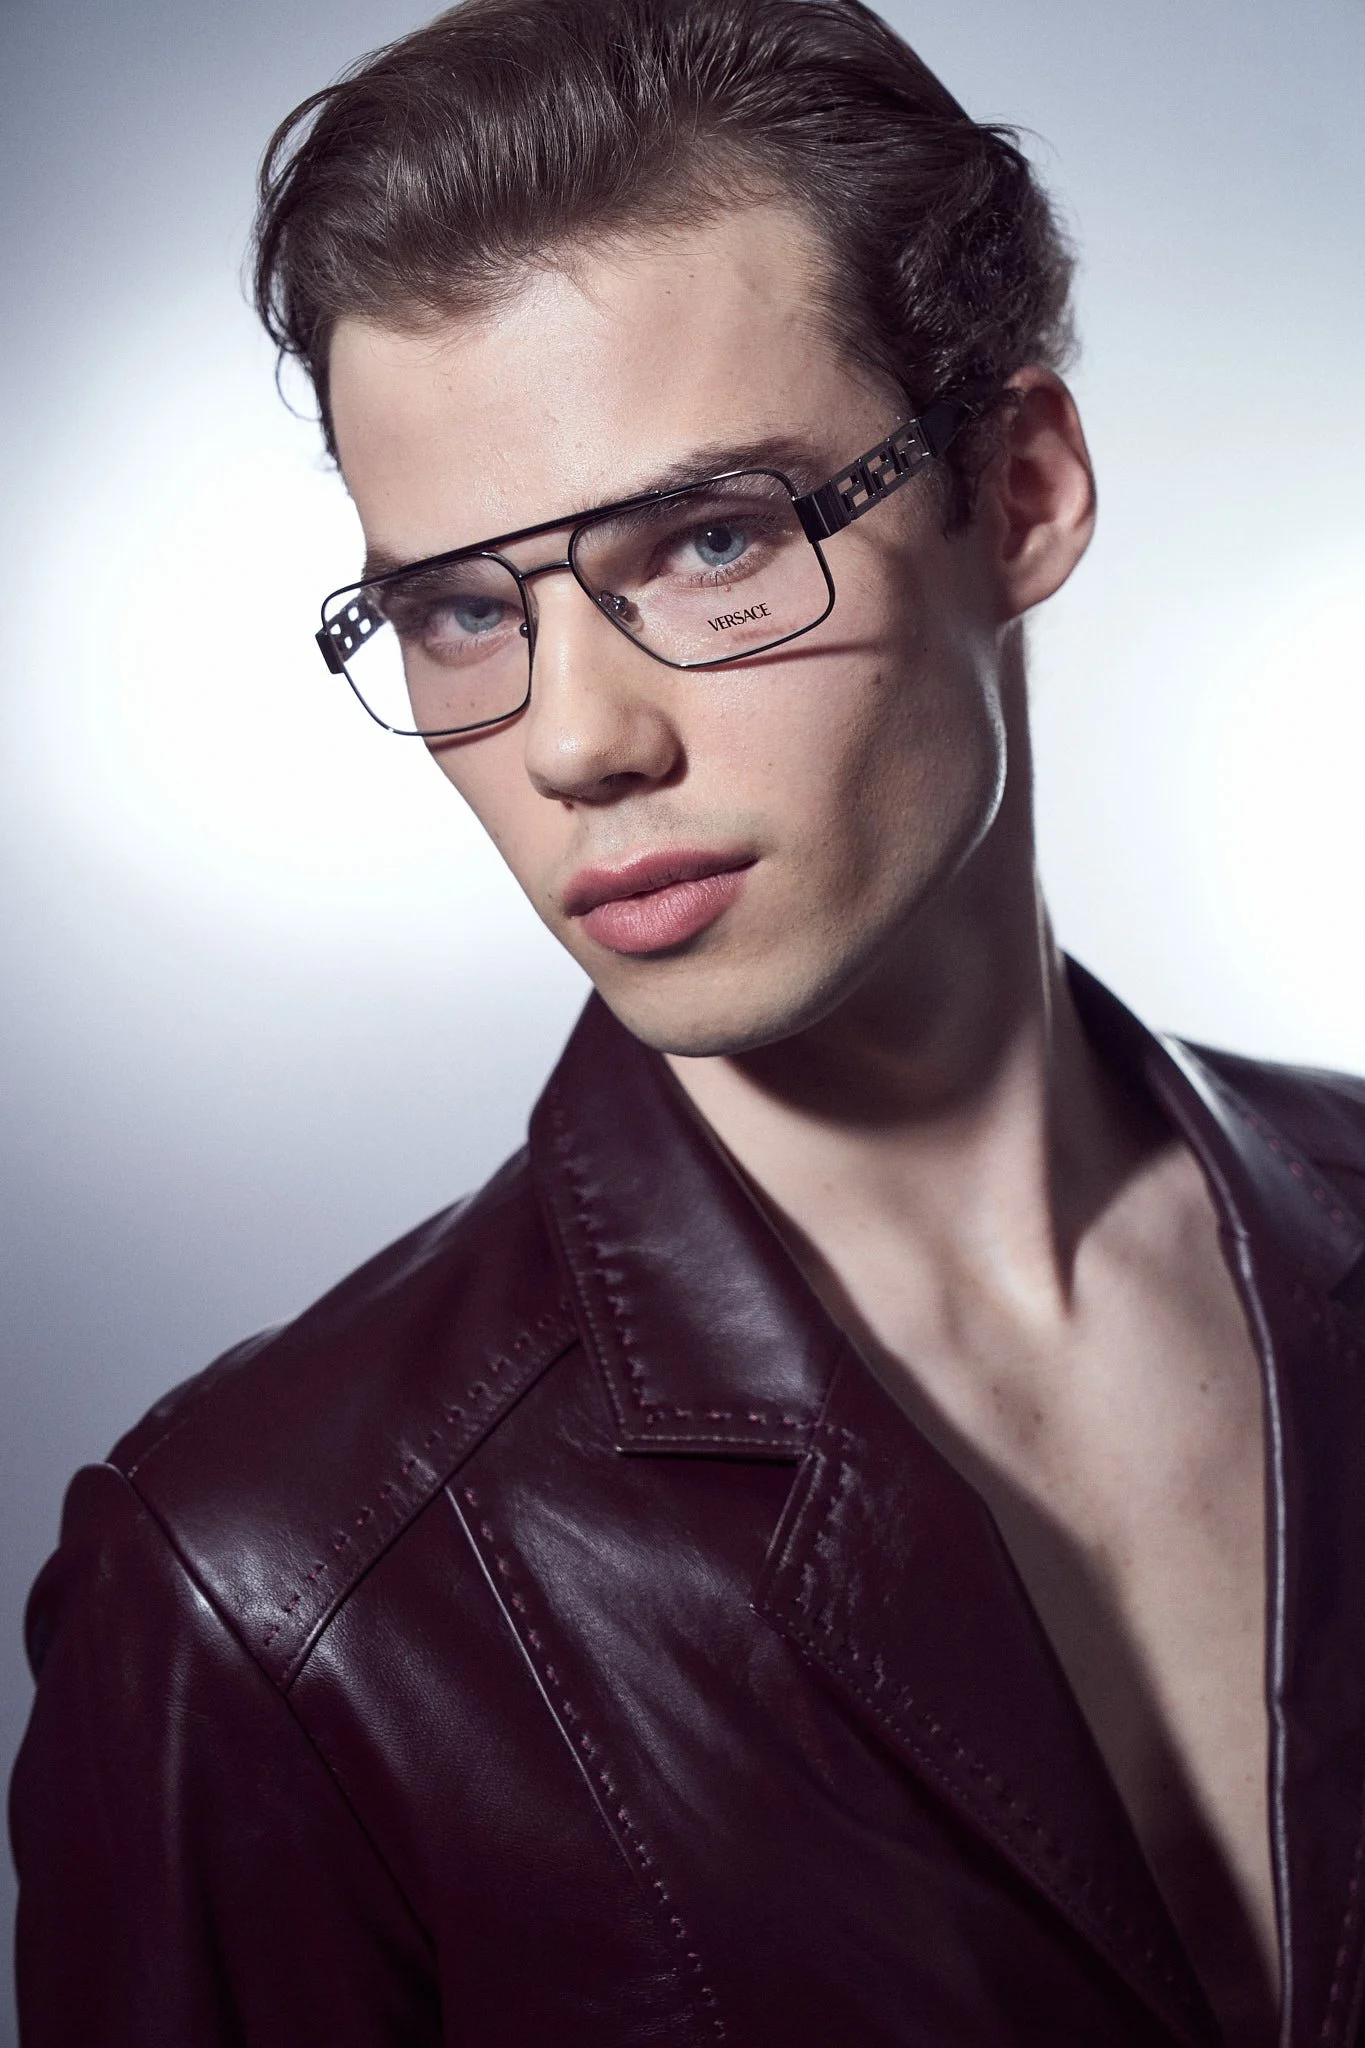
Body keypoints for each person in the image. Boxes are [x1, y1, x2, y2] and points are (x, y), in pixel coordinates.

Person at [11, 0, 1365, 2041]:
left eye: (712, 543)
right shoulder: (260, 1585)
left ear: (1017, 493)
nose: (575, 739)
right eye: (466, 607)